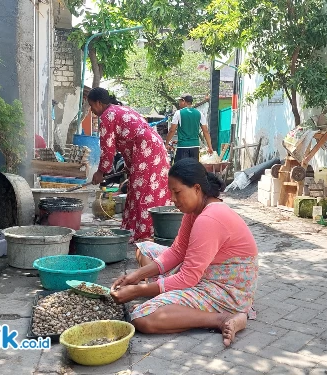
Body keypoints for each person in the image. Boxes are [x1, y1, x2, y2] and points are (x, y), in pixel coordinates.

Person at [110, 158, 258, 346]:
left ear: (197, 188)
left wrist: (139, 291)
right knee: (144, 248)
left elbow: (188, 278)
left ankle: (222, 318)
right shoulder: (195, 212)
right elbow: (178, 251)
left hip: (226, 290)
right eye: (171, 192)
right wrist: (135, 276)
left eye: (177, 192)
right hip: (204, 274)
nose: (172, 199)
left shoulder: (209, 219)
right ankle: (167, 298)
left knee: (142, 316)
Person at [88, 88, 171, 242]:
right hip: (153, 147)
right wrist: (129, 164)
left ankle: (145, 233)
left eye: (92, 106)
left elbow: (107, 148)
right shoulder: (118, 109)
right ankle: (138, 229)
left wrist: (101, 172)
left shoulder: (107, 116)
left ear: (99, 103)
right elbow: (127, 139)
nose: (92, 111)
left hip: (147, 149)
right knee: (142, 189)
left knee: (144, 191)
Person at [165, 94, 214, 162]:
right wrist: (210, 147)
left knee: (180, 169)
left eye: (180, 101)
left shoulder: (178, 113)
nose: (179, 104)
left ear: (184, 101)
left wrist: (166, 144)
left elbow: (172, 130)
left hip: (182, 147)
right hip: (195, 147)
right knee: (192, 169)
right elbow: (205, 131)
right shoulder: (199, 113)